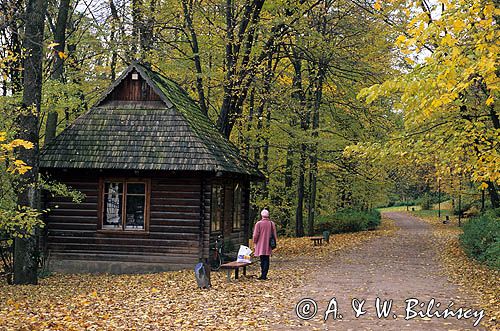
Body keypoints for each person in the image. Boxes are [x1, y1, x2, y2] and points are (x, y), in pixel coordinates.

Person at [252, 209, 278, 280]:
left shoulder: (258, 223)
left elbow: (255, 235)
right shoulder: (271, 223)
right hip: (268, 244)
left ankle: (262, 274)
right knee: (267, 259)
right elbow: (274, 234)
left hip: (260, 244)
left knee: (262, 259)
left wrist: (254, 242)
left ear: (261, 215)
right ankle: (264, 274)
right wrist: (275, 242)